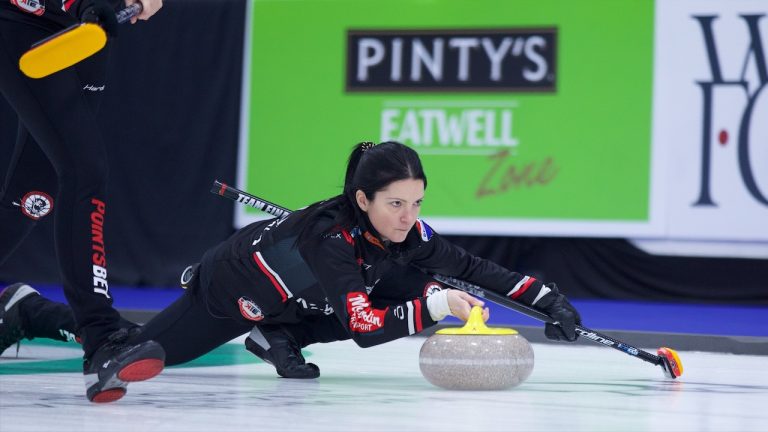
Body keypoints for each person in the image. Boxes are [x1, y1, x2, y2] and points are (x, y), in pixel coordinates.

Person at [1, 141, 582, 400]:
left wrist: (551, 300)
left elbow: (475, 269)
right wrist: (434, 308)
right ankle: (29, 309)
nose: (408, 217)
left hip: (297, 299)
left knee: (415, 277)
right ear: (362, 200)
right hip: (231, 291)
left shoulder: (405, 233)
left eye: (417, 203)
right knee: (137, 354)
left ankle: (282, 333)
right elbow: (364, 328)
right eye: (395, 204)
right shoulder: (331, 240)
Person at [0, 0, 164, 403]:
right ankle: (102, 335)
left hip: (84, 34)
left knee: (32, 196)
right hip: (25, 23)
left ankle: (18, 312)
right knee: (85, 170)